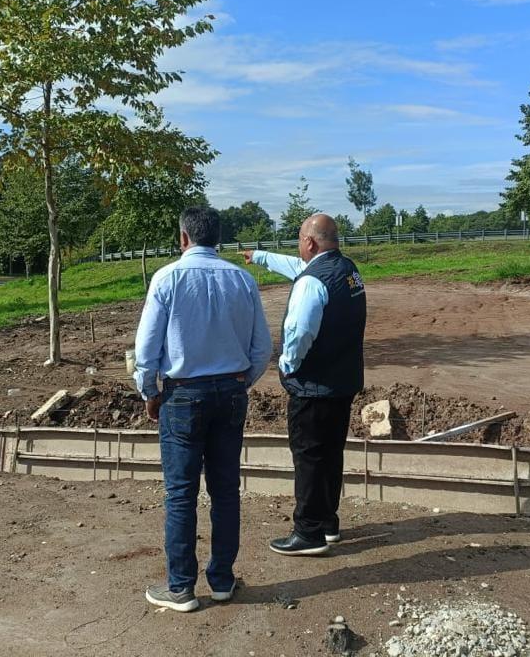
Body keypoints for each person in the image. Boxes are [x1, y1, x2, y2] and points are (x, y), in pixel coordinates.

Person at [134, 206, 273, 612]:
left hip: (183, 396)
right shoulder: (243, 280)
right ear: (218, 239)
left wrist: (149, 392)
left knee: (181, 494)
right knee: (226, 491)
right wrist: (240, 384)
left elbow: (146, 350)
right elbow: (262, 347)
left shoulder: (167, 278)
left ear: (183, 238)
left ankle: (181, 588)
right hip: (230, 394)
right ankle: (223, 580)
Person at [242, 213, 366, 556]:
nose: (298, 248)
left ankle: (307, 532)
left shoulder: (312, 282)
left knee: (309, 456)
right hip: (342, 382)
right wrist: (262, 257)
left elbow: (298, 331)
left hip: (313, 386)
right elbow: (298, 267)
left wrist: (287, 364)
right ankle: (327, 522)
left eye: (299, 240)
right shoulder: (346, 270)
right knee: (330, 454)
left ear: (309, 243)